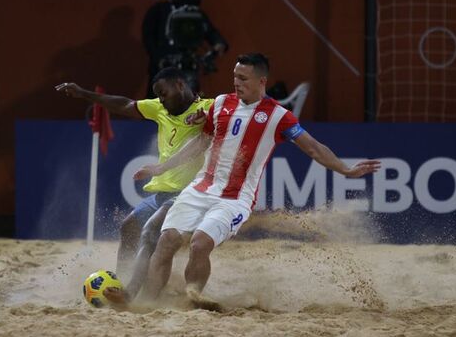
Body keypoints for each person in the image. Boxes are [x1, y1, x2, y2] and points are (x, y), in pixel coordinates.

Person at [134, 53, 381, 310]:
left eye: (243, 78)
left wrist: (345, 170)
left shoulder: (278, 116)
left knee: (200, 243)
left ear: (261, 81)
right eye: (234, 76)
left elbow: (314, 148)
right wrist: (161, 167)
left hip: (234, 199)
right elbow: (200, 142)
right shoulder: (220, 104)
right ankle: (146, 304)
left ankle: (193, 297)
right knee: (167, 241)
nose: (236, 82)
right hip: (200, 188)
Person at [55, 67, 212, 303]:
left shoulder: (208, 109)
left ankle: (129, 294)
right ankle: (121, 283)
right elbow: (125, 105)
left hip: (189, 193)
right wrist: (85, 93)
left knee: (149, 231)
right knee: (129, 228)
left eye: (163, 93)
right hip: (162, 192)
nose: (161, 99)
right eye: (158, 95)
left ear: (180, 84)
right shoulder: (160, 109)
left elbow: (230, 117)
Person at [142, 0, 228, 97]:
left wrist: (218, 43)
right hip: (161, 67)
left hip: (188, 66)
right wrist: (158, 58)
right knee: (156, 106)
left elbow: (210, 32)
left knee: (188, 102)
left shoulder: (196, 13)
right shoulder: (158, 10)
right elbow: (148, 38)